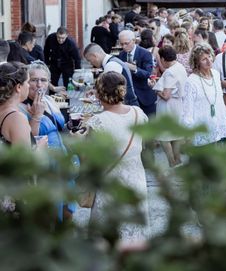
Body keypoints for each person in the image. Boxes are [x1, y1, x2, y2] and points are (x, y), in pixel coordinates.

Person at [85, 72, 148, 242]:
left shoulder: (98, 121)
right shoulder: (137, 113)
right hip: (136, 178)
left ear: (99, 94)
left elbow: (89, 158)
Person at [20, 61, 75, 220]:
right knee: (52, 212)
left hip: (64, 161)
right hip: (46, 165)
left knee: (68, 209)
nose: (39, 84)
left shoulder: (50, 100)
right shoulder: (20, 107)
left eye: (43, 80)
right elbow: (28, 140)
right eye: (33, 80)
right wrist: (36, 116)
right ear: (25, 83)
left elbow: (61, 127)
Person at [182, 43, 226, 146]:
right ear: (196, 62)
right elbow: (187, 110)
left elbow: (219, 102)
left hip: (219, 126)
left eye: (210, 56)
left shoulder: (215, 74)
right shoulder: (191, 81)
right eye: (203, 59)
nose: (209, 61)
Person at [153, 46, 187, 167]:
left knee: (163, 136)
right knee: (175, 134)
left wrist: (154, 88)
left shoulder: (169, 72)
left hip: (168, 106)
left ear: (163, 58)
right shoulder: (180, 66)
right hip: (178, 104)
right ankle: (177, 160)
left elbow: (166, 95)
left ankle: (172, 162)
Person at [118, 29, 156, 117]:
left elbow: (147, 73)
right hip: (129, 98)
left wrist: (134, 69)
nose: (123, 46)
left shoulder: (145, 53)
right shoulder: (121, 55)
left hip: (144, 97)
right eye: (121, 44)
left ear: (134, 41)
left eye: (126, 43)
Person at [0, 62, 35, 147]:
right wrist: (40, 148)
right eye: (27, 82)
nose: (29, 86)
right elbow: (24, 159)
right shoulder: (17, 119)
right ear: (18, 87)